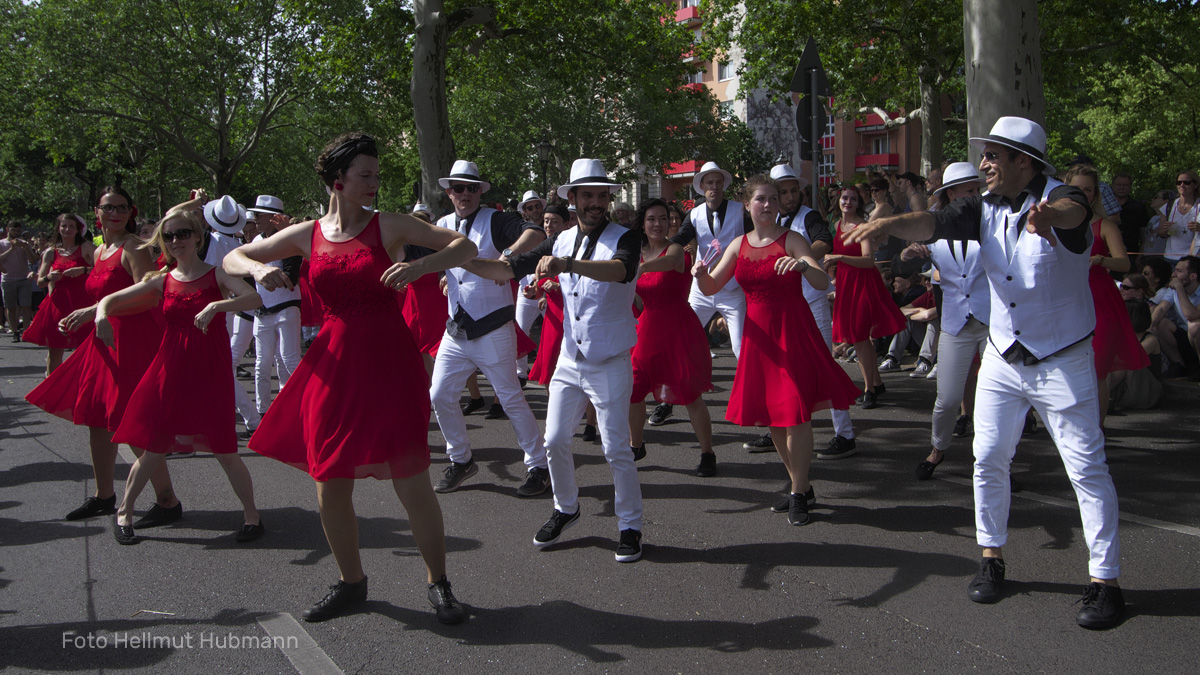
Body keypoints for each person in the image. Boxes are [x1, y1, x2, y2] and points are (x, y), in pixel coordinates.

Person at [844, 116, 1124, 629]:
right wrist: (887, 225)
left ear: (1025, 161)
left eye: (995, 155)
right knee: (988, 456)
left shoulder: (1064, 197)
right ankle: (991, 559)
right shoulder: (980, 207)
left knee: (1086, 468)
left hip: (1062, 358)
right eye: (986, 155)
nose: (986, 163)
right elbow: (931, 223)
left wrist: (1047, 216)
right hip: (1001, 353)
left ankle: (1104, 581)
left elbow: (1072, 211)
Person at [223, 133, 475, 625]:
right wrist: (255, 269)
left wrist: (421, 264)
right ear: (337, 181)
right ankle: (351, 582)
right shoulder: (307, 233)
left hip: (388, 362)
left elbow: (463, 246)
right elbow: (234, 257)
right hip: (333, 366)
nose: (375, 184)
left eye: (377, 175)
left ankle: (439, 582)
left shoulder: (391, 226)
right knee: (329, 481)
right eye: (366, 175)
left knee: (411, 480)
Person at [462, 158, 646, 563]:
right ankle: (567, 507)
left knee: (616, 448)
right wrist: (458, 261)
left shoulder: (624, 237)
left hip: (610, 359)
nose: (596, 202)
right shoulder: (559, 239)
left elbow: (622, 270)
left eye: (602, 195)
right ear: (574, 198)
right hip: (570, 359)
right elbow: (505, 268)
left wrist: (569, 265)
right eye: (588, 195)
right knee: (554, 440)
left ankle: (629, 524)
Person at [693, 174, 860, 526]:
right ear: (748, 205)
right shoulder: (738, 244)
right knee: (773, 417)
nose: (768, 204)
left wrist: (803, 264)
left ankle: (798, 491)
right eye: (761, 199)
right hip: (758, 339)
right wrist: (698, 274)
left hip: (792, 332)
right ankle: (802, 485)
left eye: (772, 198)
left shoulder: (793, 239)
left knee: (795, 413)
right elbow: (711, 287)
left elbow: (822, 281)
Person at [103, 209, 264, 545]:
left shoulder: (216, 275)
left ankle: (252, 516)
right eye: (170, 236)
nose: (177, 241)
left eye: (183, 234)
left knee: (225, 449)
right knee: (153, 447)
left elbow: (254, 297)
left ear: (197, 237)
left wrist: (217, 306)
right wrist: (102, 313)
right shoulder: (161, 279)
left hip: (209, 370)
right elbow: (112, 300)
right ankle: (124, 513)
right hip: (171, 368)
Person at [26, 186, 180, 526]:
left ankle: (167, 500)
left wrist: (95, 310)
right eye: (109, 207)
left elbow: (150, 296)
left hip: (132, 341)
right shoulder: (98, 252)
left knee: (132, 422)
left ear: (131, 211)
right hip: (104, 341)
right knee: (97, 418)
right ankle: (104, 496)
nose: (115, 213)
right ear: (96, 211)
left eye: (122, 208)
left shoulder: (134, 247)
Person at [427, 160, 550, 497]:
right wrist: (442, 275)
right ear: (449, 192)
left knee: (510, 398)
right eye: (458, 188)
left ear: (480, 191)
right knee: (439, 394)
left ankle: (538, 465)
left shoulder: (495, 220)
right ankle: (461, 458)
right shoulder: (441, 224)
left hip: (494, 327)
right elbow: (439, 259)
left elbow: (535, 232)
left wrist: (508, 254)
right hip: (457, 328)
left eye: (471, 187)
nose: (464, 193)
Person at [748, 163, 858, 461]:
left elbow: (825, 241)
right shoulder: (770, 221)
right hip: (782, 308)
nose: (790, 195)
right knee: (779, 371)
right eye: (783, 191)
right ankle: (779, 425)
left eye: (794, 190)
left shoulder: (807, 217)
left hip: (809, 299)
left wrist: (801, 255)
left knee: (824, 364)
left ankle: (844, 434)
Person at [908, 162, 990, 481]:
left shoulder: (992, 222)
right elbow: (913, 260)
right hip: (956, 323)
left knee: (994, 400)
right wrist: (912, 254)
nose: (975, 195)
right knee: (948, 400)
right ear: (951, 194)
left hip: (991, 322)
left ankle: (997, 461)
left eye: (977, 189)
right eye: (968, 190)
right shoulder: (936, 228)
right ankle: (938, 449)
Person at [627, 198, 713, 476]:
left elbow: (671, 262)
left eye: (663, 219)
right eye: (651, 219)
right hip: (646, 331)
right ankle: (635, 445)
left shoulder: (676, 248)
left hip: (678, 329)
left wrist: (640, 269)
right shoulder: (636, 252)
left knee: (690, 395)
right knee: (634, 390)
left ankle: (707, 453)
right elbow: (638, 300)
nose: (657, 224)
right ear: (643, 222)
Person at [1063, 164, 1149, 425]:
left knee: (1096, 370)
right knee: (1066, 369)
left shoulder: (1105, 225)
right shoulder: (1054, 224)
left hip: (1099, 299)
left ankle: (1096, 430)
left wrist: (1102, 260)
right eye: (1076, 188)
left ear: (1095, 194)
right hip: (1064, 301)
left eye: (1087, 189)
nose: (1082, 193)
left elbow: (1124, 264)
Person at [825, 186, 907, 409]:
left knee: (861, 337)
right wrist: (833, 270)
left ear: (858, 203)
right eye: (844, 198)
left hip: (863, 284)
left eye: (853, 199)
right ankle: (876, 383)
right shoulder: (835, 225)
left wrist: (839, 257)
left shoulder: (863, 226)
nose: (848, 202)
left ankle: (869, 389)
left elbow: (869, 259)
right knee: (857, 337)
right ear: (839, 201)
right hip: (846, 283)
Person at [670, 162, 748, 361]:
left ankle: (751, 388)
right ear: (702, 186)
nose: (714, 187)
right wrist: (658, 249)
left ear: (723, 185)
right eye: (710, 183)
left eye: (718, 182)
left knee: (740, 346)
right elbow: (680, 238)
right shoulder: (694, 214)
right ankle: (689, 382)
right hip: (701, 289)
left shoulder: (739, 211)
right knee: (684, 336)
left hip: (731, 288)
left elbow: (754, 238)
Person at [201, 196, 261, 438]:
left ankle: (250, 417)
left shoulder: (213, 243)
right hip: (231, 309)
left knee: (220, 366)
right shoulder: (235, 245)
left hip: (219, 309)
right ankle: (243, 417)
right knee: (219, 367)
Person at [246, 195, 302, 418]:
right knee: (262, 364)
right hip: (262, 310)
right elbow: (248, 273)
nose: (255, 219)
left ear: (274, 217)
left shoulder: (289, 240)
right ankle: (263, 413)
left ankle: (303, 404)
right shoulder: (256, 240)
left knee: (288, 358)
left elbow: (292, 276)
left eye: (259, 215)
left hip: (286, 306)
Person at [24, 214, 96, 375]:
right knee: (55, 350)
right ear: (58, 228)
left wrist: (83, 270)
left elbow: (102, 271)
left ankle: (84, 386)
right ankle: (50, 386)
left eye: (72, 226)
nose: (67, 229)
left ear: (78, 229)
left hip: (82, 302)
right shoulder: (51, 252)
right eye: (64, 226)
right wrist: (50, 277)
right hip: (58, 303)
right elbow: (40, 281)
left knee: (85, 347)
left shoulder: (87, 247)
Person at [526, 204, 570, 386]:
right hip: (552, 315)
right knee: (549, 365)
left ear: (566, 225)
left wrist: (558, 286)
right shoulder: (543, 248)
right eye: (546, 221)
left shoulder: (573, 246)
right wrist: (534, 292)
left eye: (554, 222)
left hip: (571, 313)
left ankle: (587, 414)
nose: (549, 225)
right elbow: (538, 285)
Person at [514, 190, 548, 382]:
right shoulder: (520, 232)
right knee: (519, 330)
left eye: (538, 206)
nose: (535, 210)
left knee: (557, 330)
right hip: (526, 289)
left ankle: (553, 368)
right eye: (530, 207)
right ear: (525, 211)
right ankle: (520, 373)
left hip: (547, 289)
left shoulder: (551, 227)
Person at [0, 220, 37, 341]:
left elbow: (32, 260)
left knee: (26, 306)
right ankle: (15, 331)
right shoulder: (2, 243)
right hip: (8, 279)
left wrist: (26, 248)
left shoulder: (24, 243)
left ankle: (26, 332)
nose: (16, 232)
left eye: (17, 230)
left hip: (24, 278)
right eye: (13, 230)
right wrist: (11, 249)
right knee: (11, 307)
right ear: (8, 229)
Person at [1161, 170, 1199, 262]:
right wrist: (1165, 229)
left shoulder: (1198, 206)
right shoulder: (1169, 206)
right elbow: (1160, 233)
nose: (1182, 185)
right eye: (1179, 182)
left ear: (1195, 185)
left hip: (1193, 258)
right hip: (1170, 257)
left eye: (1187, 182)